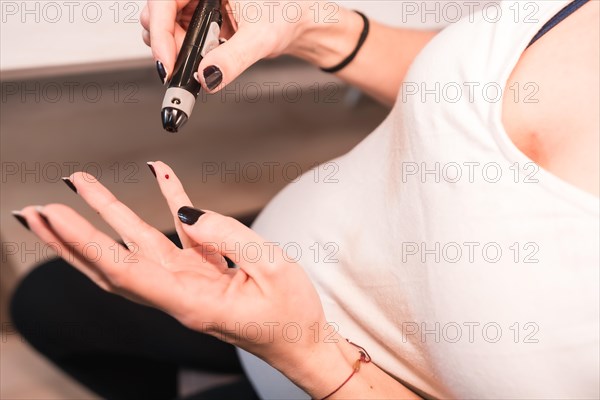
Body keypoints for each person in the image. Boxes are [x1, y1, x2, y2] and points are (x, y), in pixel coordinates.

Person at [10, 0, 599, 398]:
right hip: (268, 256)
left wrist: (314, 360)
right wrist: (313, 26)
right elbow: (469, 81)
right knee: (46, 303)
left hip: (326, 375)